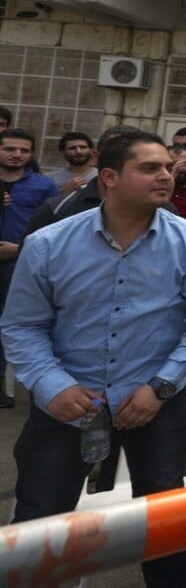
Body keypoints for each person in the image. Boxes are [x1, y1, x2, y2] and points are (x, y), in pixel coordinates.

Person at [1, 132, 186, 588]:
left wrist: (161, 386)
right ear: (109, 178)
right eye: (150, 168)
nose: (166, 175)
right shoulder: (48, 244)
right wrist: (52, 387)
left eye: (168, 166)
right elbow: (22, 326)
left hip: (156, 405)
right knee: (40, 525)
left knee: (163, 525)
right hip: (67, 404)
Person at [0, 129, 59, 406]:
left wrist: (18, 248)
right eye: (10, 149)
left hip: (18, 262)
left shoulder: (43, 186)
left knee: (10, 323)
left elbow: (50, 229)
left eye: (24, 150)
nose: (17, 155)